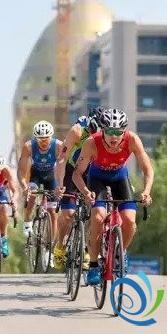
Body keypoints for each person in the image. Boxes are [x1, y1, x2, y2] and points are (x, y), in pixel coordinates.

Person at [73, 108, 153, 286]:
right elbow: (76, 174)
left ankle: (120, 253)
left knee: (129, 221)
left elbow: (148, 169)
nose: (114, 136)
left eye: (118, 132)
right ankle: (94, 265)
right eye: (109, 131)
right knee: (98, 217)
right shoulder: (91, 143)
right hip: (97, 179)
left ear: (124, 131)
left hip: (120, 178)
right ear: (102, 130)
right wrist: (86, 192)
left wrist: (147, 191)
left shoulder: (132, 139)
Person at [53, 108, 103, 269]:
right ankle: (60, 246)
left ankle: (87, 249)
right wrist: (60, 184)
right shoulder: (77, 131)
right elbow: (62, 158)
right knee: (68, 214)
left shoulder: (107, 135)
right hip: (71, 169)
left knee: (95, 212)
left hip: (92, 172)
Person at [17, 121, 63, 243]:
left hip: (51, 176)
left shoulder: (58, 146)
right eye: (40, 139)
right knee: (32, 195)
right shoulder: (28, 146)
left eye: (46, 139)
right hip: (36, 175)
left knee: (53, 212)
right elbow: (21, 171)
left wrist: (61, 185)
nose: (43, 142)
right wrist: (24, 186)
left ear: (51, 137)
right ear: (35, 138)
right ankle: (27, 221)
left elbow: (63, 167)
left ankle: (50, 246)